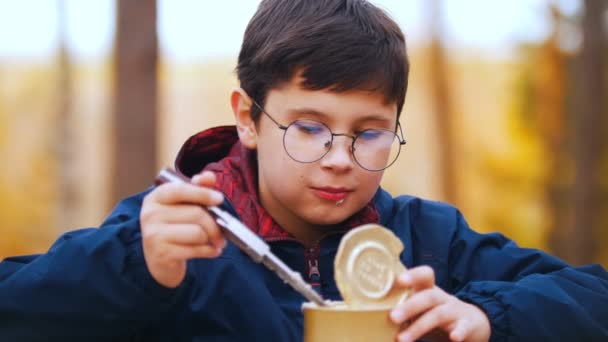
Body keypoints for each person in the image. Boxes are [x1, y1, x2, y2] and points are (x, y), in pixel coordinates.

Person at [1, 0, 607, 341]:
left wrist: (484, 317)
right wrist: (135, 267)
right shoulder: (172, 239)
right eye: (309, 128)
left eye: (368, 133)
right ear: (248, 118)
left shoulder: (429, 241)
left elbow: (595, 296)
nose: (340, 159)